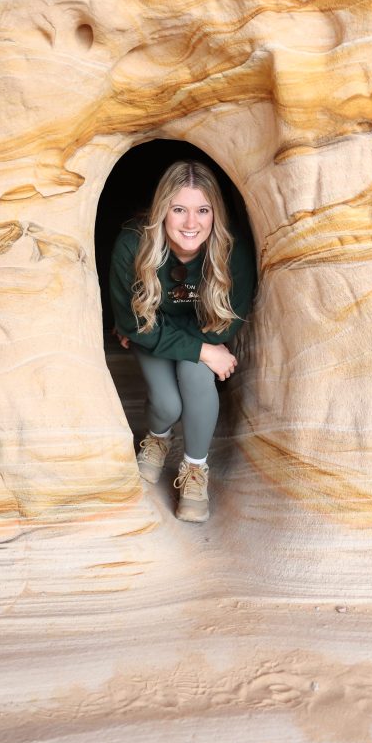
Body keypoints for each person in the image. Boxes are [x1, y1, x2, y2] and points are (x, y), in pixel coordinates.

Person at [109, 160, 255, 523]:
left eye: (202, 210)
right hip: (152, 327)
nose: (191, 223)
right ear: (162, 210)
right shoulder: (132, 243)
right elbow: (133, 322)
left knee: (195, 374)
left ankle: (195, 469)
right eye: (179, 210)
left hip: (199, 329)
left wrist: (198, 349)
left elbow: (227, 321)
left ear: (215, 213)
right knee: (167, 403)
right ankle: (158, 437)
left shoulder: (232, 249)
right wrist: (201, 350)